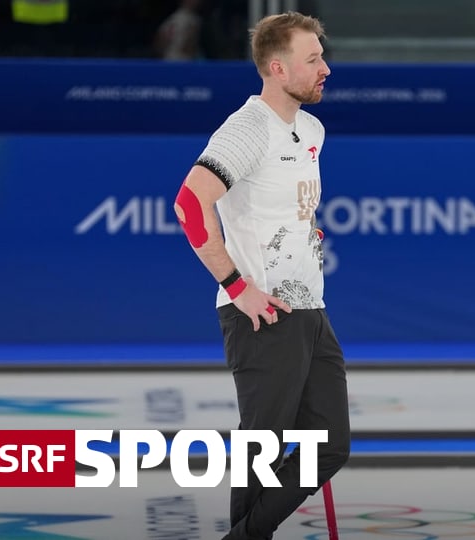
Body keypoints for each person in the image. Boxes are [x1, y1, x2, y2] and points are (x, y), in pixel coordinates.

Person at [172, 11, 349, 540]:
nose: (325, 69)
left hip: (310, 309)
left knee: (331, 446)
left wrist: (303, 234)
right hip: (262, 313)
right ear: (277, 67)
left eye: (322, 56)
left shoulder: (311, 128)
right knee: (261, 450)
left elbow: (283, 207)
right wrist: (238, 286)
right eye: (312, 59)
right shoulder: (247, 128)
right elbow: (189, 202)